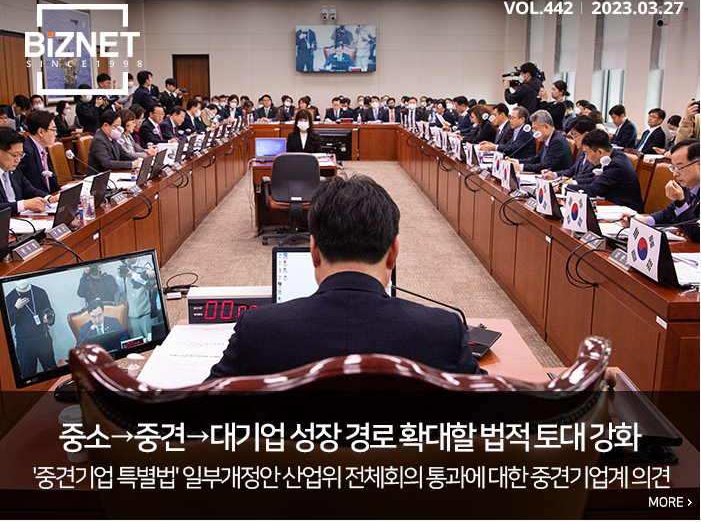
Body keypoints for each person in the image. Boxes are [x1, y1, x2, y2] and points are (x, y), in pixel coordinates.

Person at [207, 174, 485, 379]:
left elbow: (197, 419)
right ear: (393, 253)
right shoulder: (442, 331)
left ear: (314, 251)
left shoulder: (258, 330)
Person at [621, 139, 699, 242]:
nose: (675, 174)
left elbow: (697, 235)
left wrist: (680, 202)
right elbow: (669, 214)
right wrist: (642, 220)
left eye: (680, 168)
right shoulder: (686, 187)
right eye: (673, 168)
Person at [564, 129, 644, 212]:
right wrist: (572, 182)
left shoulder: (616, 164)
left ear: (600, 152)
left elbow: (594, 189)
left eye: (587, 153)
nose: (586, 157)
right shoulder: (609, 157)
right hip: (611, 206)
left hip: (627, 213)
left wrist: (564, 188)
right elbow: (594, 179)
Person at [0, 128, 57, 215]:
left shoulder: (13, 170)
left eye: (21, 155)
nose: (18, 160)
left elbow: (28, 190)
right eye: (14, 155)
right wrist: (23, 205)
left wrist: (49, 198)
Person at [6, 280, 56, 377]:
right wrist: (16, 308)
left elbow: (50, 313)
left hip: (43, 339)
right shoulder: (10, 298)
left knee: (52, 371)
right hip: (24, 344)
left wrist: (49, 319)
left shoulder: (40, 292)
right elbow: (9, 323)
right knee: (28, 376)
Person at [542, 115, 597, 182]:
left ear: (586, 135)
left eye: (575, 135)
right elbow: (573, 170)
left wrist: (572, 182)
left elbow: (591, 180)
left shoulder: (595, 154)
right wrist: (554, 174)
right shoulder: (582, 151)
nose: (574, 140)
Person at [87, 111, 142, 175]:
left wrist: (139, 160)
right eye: (115, 126)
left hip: (114, 173)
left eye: (119, 127)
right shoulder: (99, 140)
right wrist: (131, 164)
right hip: (101, 177)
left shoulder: (113, 137)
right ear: (105, 125)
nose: (118, 130)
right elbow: (107, 163)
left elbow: (123, 155)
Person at [19, 111, 59, 194]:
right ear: (41, 132)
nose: (56, 134)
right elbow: (21, 186)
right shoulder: (25, 152)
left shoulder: (43, 148)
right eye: (53, 130)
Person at [117, 257, 156, 340]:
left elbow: (148, 284)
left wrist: (132, 275)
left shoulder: (145, 265)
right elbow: (121, 289)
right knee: (139, 341)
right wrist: (119, 276)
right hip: (132, 315)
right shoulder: (125, 267)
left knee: (152, 339)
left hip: (146, 312)